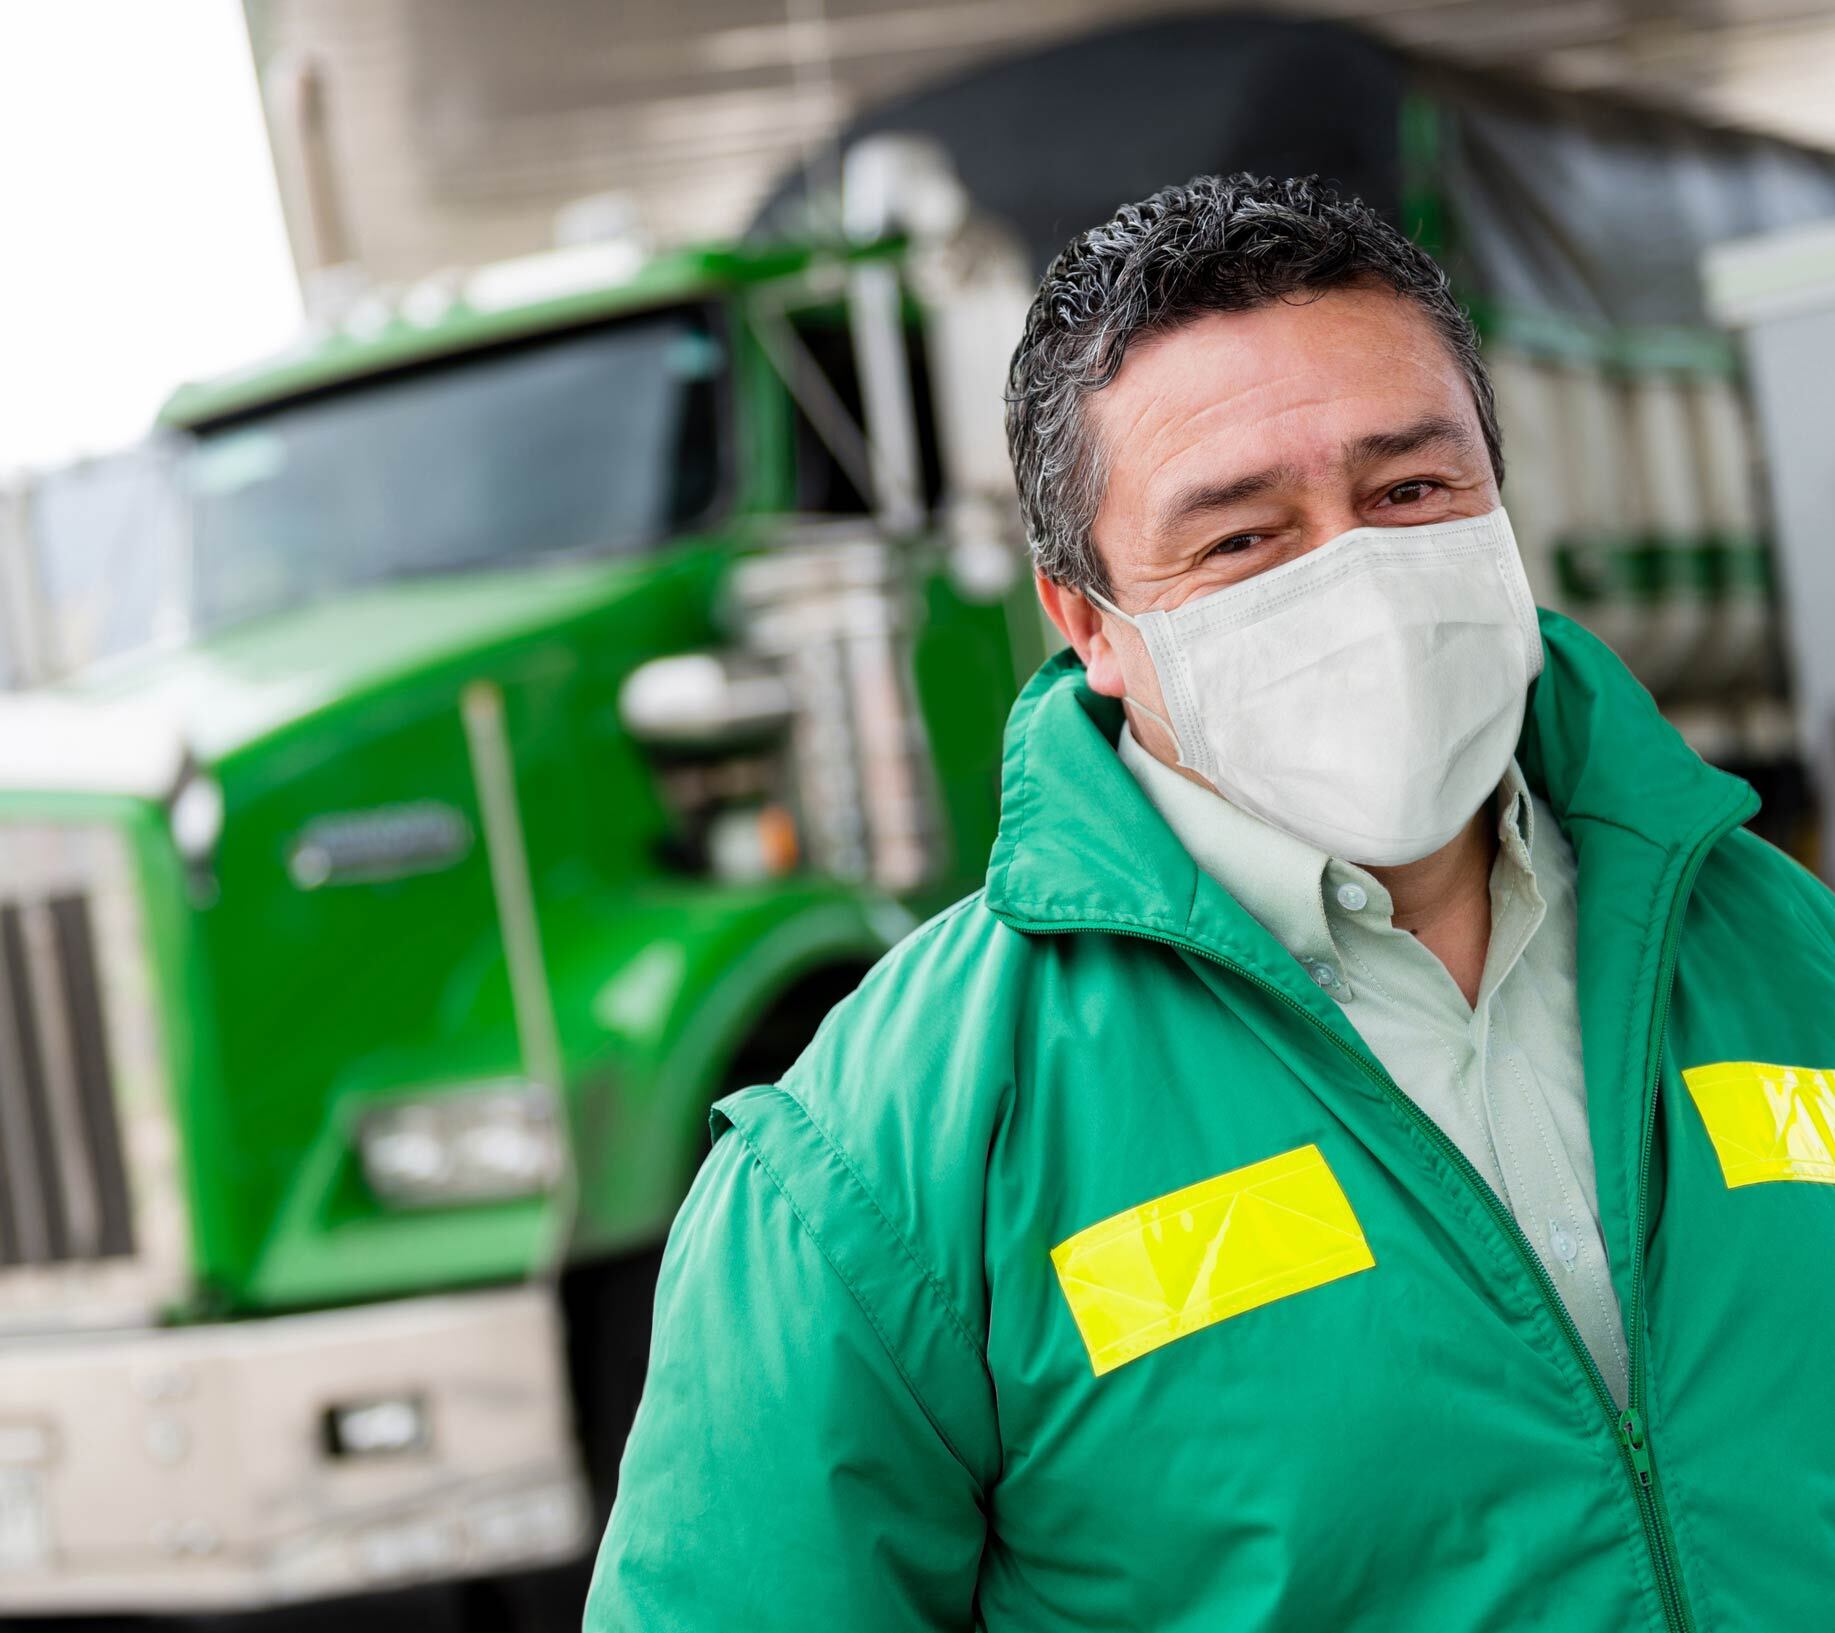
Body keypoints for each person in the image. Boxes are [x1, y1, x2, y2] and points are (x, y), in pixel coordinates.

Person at [584, 174, 1835, 1631]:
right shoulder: (890, 1154)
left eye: (1408, 490)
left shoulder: (1782, 949)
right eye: (1242, 536)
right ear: (1088, 624)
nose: (1357, 577)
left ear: (1499, 501)